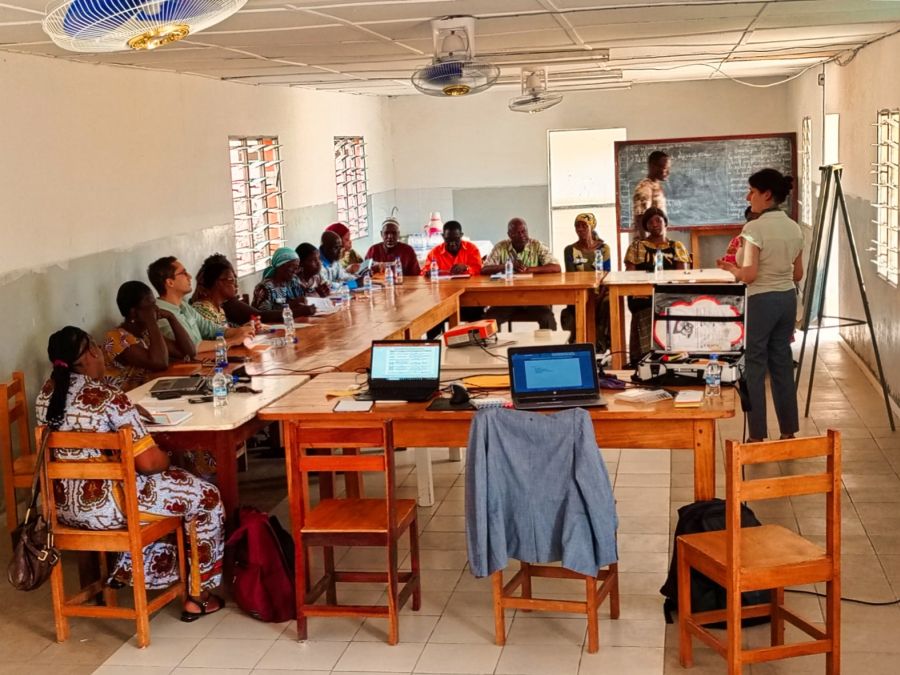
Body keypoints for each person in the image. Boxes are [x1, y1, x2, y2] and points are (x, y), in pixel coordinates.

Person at [36, 326, 225, 622]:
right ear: (91, 354)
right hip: (113, 509)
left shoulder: (45, 396)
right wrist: (170, 454)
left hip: (61, 510)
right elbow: (149, 464)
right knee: (206, 497)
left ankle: (130, 569)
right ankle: (199, 596)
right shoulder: (109, 396)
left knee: (169, 489)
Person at [717, 168, 803, 442]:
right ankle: (788, 431)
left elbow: (750, 275)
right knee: (781, 363)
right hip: (787, 299)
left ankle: (756, 435)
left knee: (754, 366)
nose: (748, 197)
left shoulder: (753, 228)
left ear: (766, 195)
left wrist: (731, 269)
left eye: (752, 192)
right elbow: (798, 273)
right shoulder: (794, 227)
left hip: (761, 300)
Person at [147, 257, 253, 356]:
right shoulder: (160, 314)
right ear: (170, 282)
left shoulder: (183, 306)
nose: (189, 276)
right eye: (183, 273)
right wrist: (232, 341)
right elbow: (191, 346)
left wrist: (240, 331)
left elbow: (210, 329)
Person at [624, 207, 690, 364]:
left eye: (658, 220)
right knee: (647, 306)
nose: (654, 224)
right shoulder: (637, 247)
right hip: (643, 296)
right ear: (646, 226)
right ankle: (646, 357)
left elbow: (682, 277)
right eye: (650, 222)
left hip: (669, 295)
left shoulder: (676, 246)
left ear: (665, 223)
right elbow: (630, 276)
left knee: (674, 305)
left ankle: (673, 356)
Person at [103, 281, 195, 391]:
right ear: (133, 312)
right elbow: (160, 363)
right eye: (150, 306)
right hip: (125, 397)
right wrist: (151, 321)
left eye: (154, 304)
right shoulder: (116, 338)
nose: (155, 308)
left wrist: (171, 317)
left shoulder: (145, 334)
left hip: (148, 392)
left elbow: (188, 352)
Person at [481, 217, 561, 329]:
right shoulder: (501, 247)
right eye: (517, 233)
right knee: (488, 321)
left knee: (547, 319)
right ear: (509, 235)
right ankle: (491, 341)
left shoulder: (537, 245)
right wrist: (507, 266)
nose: (522, 235)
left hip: (533, 298)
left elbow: (556, 267)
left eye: (524, 231)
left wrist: (529, 269)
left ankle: (547, 341)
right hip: (507, 299)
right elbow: (484, 269)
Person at [422, 220, 484, 338]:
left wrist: (466, 267)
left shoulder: (471, 249)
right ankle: (434, 344)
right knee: (432, 315)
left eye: (456, 239)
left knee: (477, 312)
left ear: (461, 235)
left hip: (467, 297)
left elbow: (479, 269)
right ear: (442, 237)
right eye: (448, 240)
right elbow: (424, 272)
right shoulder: (435, 253)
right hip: (442, 298)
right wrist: (428, 273)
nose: (452, 243)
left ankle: (476, 340)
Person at [561, 213, 611, 349]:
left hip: (600, 293)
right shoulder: (570, 250)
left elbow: (607, 275)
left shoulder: (604, 249)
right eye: (577, 226)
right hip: (579, 294)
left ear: (591, 227)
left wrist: (598, 297)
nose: (580, 229)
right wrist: (586, 298)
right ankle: (578, 344)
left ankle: (602, 343)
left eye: (584, 226)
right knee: (571, 309)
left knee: (608, 303)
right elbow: (571, 278)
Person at [251, 247, 317, 314]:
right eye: (293, 268)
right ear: (281, 266)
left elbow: (303, 299)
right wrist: (292, 306)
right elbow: (263, 315)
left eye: (297, 268)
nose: (295, 272)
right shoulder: (265, 288)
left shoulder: (293, 282)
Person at [632, 151, 670, 238]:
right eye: (664, 167)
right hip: (649, 243)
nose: (667, 171)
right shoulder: (645, 187)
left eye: (668, 168)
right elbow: (640, 218)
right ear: (652, 166)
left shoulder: (655, 185)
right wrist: (645, 244)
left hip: (656, 242)